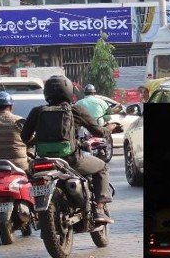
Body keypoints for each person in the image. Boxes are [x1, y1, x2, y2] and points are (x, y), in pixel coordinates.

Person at [21, 75, 114, 223]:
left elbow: (24, 137)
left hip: (44, 160)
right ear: (69, 91)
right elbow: (98, 131)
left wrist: (38, 140)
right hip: (71, 160)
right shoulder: (75, 109)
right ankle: (99, 208)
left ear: (46, 93)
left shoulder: (37, 111)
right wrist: (110, 128)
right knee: (101, 167)